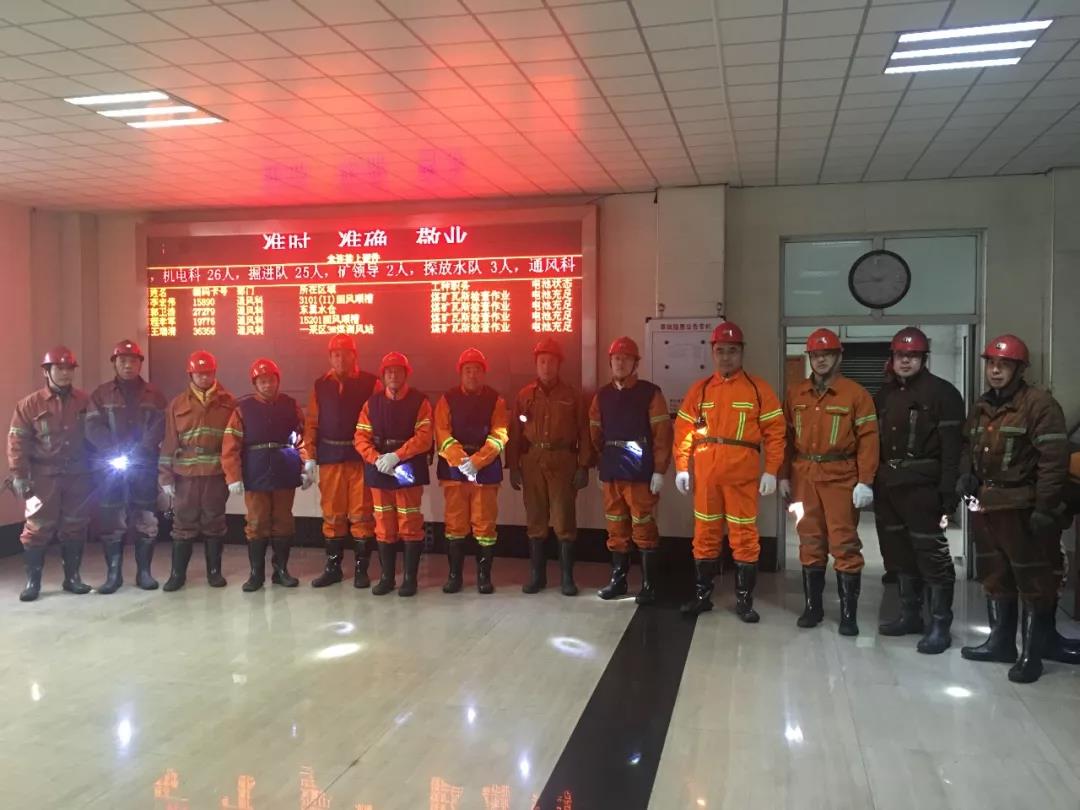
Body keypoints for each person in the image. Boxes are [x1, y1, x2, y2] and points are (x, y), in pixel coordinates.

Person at [958, 334, 1069, 683]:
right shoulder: (981, 406)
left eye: (1003, 365)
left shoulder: (1039, 405)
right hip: (987, 505)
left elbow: (1054, 461)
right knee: (995, 576)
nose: (995, 370)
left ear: (1019, 369)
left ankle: (1032, 655)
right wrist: (966, 475)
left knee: (1033, 580)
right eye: (991, 364)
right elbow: (968, 445)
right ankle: (1000, 643)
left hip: (1023, 508)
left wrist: (1045, 508)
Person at [674, 321, 786, 620]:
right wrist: (682, 467)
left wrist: (771, 470)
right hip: (707, 477)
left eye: (732, 351)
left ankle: (744, 602)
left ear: (742, 353)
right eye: (721, 350)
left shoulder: (758, 390)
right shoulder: (700, 390)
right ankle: (703, 597)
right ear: (713, 352)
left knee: (744, 536)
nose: (726, 357)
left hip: (742, 478)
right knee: (705, 535)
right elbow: (684, 431)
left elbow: (776, 433)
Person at [780, 328, 879, 636]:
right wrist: (782, 475)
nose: (820, 360)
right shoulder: (796, 394)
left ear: (839, 357)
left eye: (827, 354)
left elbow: (869, 440)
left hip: (841, 478)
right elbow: (785, 439)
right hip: (803, 477)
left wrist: (866, 481)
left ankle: (848, 614)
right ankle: (813, 608)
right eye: (815, 355)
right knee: (809, 540)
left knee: (844, 542)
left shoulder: (856, 395)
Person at [873, 327, 965, 653]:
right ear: (892, 358)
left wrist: (948, 495)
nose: (906, 361)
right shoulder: (884, 395)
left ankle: (940, 624)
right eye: (901, 355)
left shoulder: (944, 394)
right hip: (889, 486)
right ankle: (910, 615)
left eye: (913, 356)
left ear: (924, 358)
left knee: (932, 556)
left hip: (924, 489)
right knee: (898, 554)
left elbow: (954, 450)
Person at [589, 336, 673, 605]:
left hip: (640, 470)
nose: (621, 363)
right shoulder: (601, 396)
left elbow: (662, 434)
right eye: (616, 359)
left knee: (643, 526)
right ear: (610, 362)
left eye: (626, 359)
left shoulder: (650, 393)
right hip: (612, 468)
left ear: (635, 363)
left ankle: (649, 585)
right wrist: (602, 463)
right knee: (615, 527)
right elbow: (595, 433)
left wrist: (659, 470)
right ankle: (618, 581)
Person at [7, 346, 93, 601]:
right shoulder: (29, 405)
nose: (65, 373)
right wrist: (19, 475)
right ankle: (33, 583)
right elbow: (17, 443)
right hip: (42, 479)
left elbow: (95, 437)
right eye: (59, 368)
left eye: (69, 369)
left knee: (75, 526)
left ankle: (72, 578)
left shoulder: (85, 401)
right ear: (47, 371)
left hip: (77, 476)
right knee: (37, 528)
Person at [507, 338, 591, 596]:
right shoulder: (524, 395)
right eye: (542, 361)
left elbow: (584, 431)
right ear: (536, 364)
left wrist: (584, 466)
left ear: (559, 364)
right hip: (532, 460)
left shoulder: (573, 396)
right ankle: (537, 576)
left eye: (551, 361)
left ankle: (567, 578)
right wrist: (513, 466)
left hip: (563, 460)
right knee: (535, 519)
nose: (546, 366)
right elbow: (515, 432)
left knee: (564, 519)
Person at [221, 358, 312, 593]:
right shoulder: (242, 409)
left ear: (277, 381)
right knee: (257, 522)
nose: (267, 385)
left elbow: (302, 438)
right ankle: (256, 575)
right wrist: (233, 477)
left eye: (271, 380)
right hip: (255, 471)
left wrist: (306, 466)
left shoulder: (290, 406)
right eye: (262, 381)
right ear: (255, 384)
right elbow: (231, 445)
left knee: (284, 522)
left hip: (285, 469)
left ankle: (281, 572)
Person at [86, 339, 167, 594]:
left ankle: (144, 573)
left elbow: (160, 426)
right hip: (112, 467)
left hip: (144, 466)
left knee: (146, 519)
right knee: (112, 520)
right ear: (114, 364)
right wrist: (114, 449)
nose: (128, 365)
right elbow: (92, 427)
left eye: (133, 361)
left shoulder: (154, 394)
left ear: (140, 364)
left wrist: (141, 449)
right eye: (122, 361)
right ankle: (114, 575)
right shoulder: (101, 394)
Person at [354, 352, 433, 597]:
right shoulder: (371, 403)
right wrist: (376, 458)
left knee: (410, 523)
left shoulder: (420, 401)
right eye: (389, 371)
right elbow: (360, 437)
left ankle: (410, 580)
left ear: (406, 374)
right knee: (383, 524)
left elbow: (424, 437)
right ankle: (387, 578)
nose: (393, 375)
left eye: (398, 371)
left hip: (407, 467)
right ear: (383, 376)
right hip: (379, 468)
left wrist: (397, 456)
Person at [303, 334, 379, 589]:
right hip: (330, 458)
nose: (341, 358)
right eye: (336, 354)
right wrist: (309, 456)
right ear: (330, 357)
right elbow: (312, 423)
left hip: (361, 459)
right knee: (332, 514)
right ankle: (333, 568)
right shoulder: (320, 385)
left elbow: (380, 417)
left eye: (346, 353)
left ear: (354, 355)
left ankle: (361, 569)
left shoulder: (371, 383)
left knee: (362, 514)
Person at [159, 350, 236, 591]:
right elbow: (169, 442)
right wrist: (165, 477)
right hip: (186, 476)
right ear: (190, 375)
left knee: (215, 523)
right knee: (182, 524)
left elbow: (234, 442)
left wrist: (234, 475)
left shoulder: (229, 403)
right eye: (199, 373)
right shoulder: (177, 404)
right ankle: (177, 574)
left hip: (215, 474)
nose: (204, 377)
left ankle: (214, 573)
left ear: (214, 373)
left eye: (208, 373)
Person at [434, 348, 509, 595]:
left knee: (485, 526)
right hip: (454, 471)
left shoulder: (496, 400)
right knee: (455, 524)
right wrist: (460, 459)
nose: (472, 374)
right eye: (468, 370)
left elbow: (500, 434)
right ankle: (454, 576)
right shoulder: (447, 399)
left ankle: (483, 577)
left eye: (477, 370)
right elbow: (441, 432)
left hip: (485, 470)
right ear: (460, 373)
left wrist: (478, 461)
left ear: (484, 373)